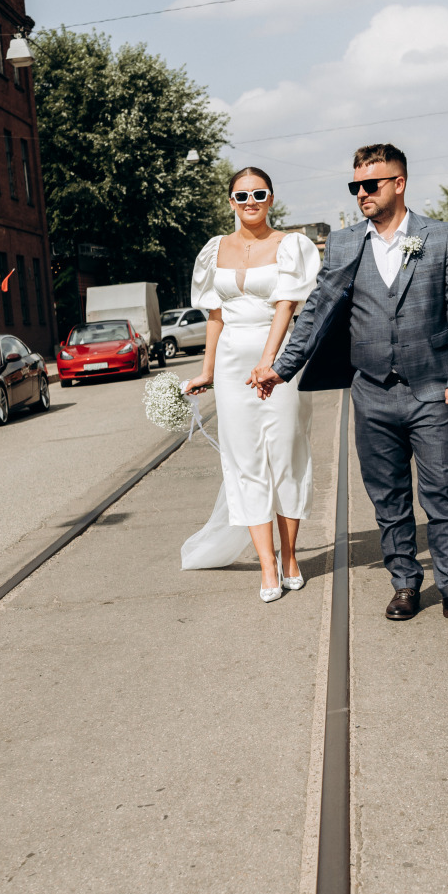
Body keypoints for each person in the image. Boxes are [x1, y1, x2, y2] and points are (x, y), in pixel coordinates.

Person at [252, 144, 448, 626]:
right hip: (372, 391)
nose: (361, 194)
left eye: (370, 185)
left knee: (442, 490)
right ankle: (404, 583)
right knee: (388, 495)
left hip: (431, 388)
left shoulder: (439, 238)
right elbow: (316, 309)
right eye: (354, 186)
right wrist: (281, 366)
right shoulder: (343, 243)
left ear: (398, 184)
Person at [182, 167, 322, 602]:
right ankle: (267, 566)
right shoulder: (213, 250)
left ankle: (290, 556)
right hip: (229, 367)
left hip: (278, 362)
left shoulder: (291, 245)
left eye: (259, 194)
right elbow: (215, 315)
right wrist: (206, 372)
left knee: (285, 455)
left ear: (271, 198)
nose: (250, 202)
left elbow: (286, 306)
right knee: (245, 462)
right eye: (241, 196)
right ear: (230, 202)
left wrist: (269, 364)